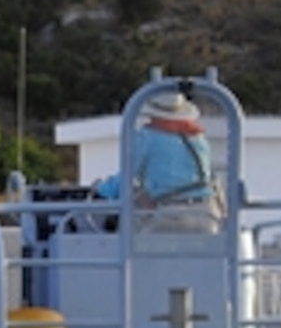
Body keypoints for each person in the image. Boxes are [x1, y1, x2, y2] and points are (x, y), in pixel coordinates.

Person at [92, 92, 217, 231]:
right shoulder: (199, 138)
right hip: (207, 215)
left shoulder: (148, 137)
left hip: (171, 216)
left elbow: (128, 175)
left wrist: (101, 189)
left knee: (127, 234)